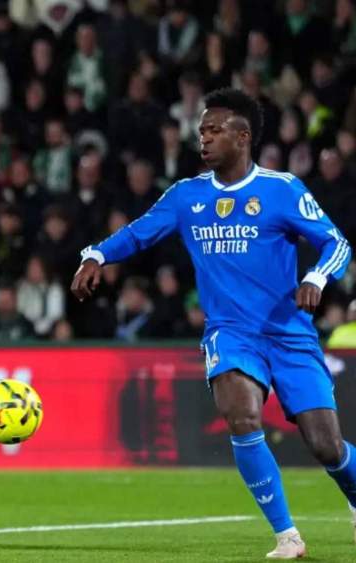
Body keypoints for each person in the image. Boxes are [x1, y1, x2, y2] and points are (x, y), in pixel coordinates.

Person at [72, 88, 353, 559]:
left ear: (243, 137)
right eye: (201, 130)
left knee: (327, 447)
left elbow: (336, 242)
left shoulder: (281, 189)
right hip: (230, 332)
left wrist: (316, 278)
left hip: (289, 334)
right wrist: (96, 255)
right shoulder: (187, 196)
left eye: (214, 130)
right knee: (241, 415)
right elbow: (140, 232)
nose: (203, 138)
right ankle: (287, 535)